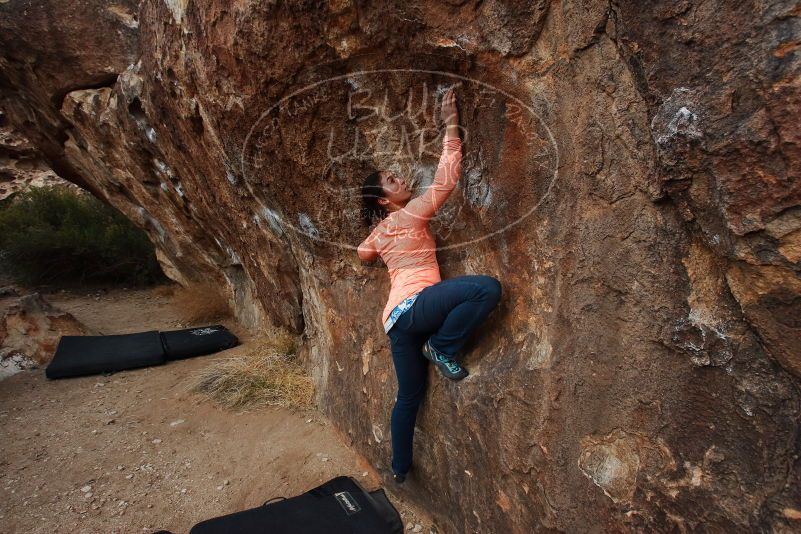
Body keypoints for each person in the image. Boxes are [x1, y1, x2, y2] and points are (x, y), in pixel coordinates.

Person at [356, 87, 502, 484]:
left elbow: (362, 252)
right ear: (385, 200)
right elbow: (446, 178)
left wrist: (379, 243)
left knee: (409, 398)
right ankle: (441, 345)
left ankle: (399, 469)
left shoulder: (381, 233)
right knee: (486, 289)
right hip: (417, 306)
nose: (400, 178)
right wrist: (451, 122)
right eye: (391, 180)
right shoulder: (408, 216)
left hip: (396, 324)